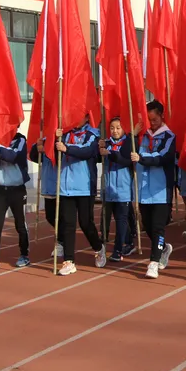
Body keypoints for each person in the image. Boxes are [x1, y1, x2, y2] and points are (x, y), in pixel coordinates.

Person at [54, 117, 107, 275]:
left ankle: (98, 247)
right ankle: (68, 261)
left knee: (85, 223)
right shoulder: (64, 133)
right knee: (68, 224)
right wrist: (53, 138)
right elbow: (52, 152)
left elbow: (87, 151)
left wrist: (66, 148)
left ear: (84, 116)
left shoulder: (93, 134)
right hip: (66, 186)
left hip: (84, 186)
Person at [131, 100, 176, 279]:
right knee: (147, 226)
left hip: (160, 189)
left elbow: (163, 157)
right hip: (143, 189)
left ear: (161, 116)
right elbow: (129, 151)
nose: (152, 124)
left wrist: (142, 158)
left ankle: (154, 262)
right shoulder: (143, 135)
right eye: (149, 120)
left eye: (155, 119)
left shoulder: (169, 136)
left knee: (158, 227)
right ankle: (163, 248)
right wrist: (133, 134)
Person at [0, 132, 31, 271]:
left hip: (17, 190)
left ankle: (24, 255)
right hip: (0, 190)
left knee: (20, 224)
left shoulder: (20, 140)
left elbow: (13, 156)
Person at [98, 117, 134, 262]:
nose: (115, 131)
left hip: (123, 189)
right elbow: (95, 156)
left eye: (118, 128)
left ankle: (119, 249)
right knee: (105, 220)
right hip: (108, 189)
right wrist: (98, 148)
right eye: (112, 128)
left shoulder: (127, 144)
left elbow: (125, 160)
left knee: (121, 220)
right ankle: (102, 245)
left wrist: (110, 153)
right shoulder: (105, 143)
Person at [29, 136, 62, 257]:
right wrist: (36, 147)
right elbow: (34, 157)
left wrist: (49, 148)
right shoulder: (44, 138)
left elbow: (62, 156)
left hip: (61, 186)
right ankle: (62, 239)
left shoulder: (63, 139)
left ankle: (61, 242)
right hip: (48, 186)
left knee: (61, 218)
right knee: (50, 216)